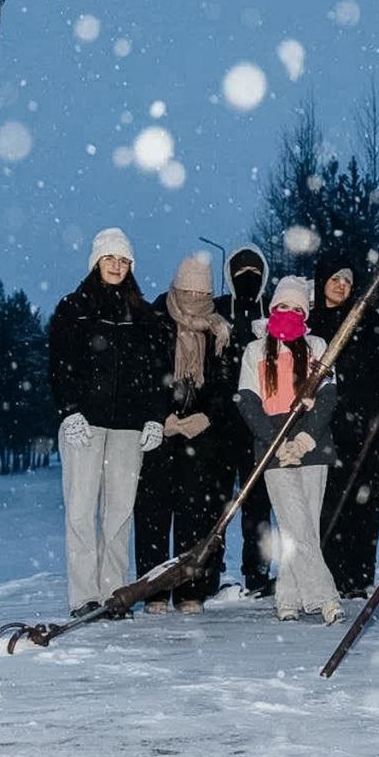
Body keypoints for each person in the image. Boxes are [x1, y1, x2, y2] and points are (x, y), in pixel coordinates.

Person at [48, 227, 167, 619]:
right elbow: (60, 363)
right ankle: (84, 596)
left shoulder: (144, 314)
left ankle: (113, 594)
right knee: (81, 509)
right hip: (85, 422)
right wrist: (70, 410)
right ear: (96, 262)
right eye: (109, 258)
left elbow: (157, 372)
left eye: (123, 260)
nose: (116, 266)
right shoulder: (74, 307)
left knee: (118, 513)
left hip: (128, 428)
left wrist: (153, 416)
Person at [310, 257, 379, 598]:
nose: (341, 285)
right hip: (324, 430)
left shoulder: (367, 322)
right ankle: (326, 576)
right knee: (328, 503)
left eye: (347, 279)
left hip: (365, 432)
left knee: (364, 504)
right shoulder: (312, 323)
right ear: (322, 281)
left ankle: (358, 577)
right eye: (335, 277)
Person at [236, 276, 343, 624]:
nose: (291, 313)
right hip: (273, 448)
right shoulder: (255, 350)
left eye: (299, 309)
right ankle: (325, 597)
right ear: (272, 308)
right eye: (284, 306)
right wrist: (276, 440)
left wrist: (305, 439)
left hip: (312, 445)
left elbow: (328, 396)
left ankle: (287, 597)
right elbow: (248, 400)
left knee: (304, 525)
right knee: (294, 521)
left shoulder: (317, 345)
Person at [134, 254, 235, 614]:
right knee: (153, 514)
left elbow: (226, 383)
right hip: (160, 432)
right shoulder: (154, 321)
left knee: (196, 513)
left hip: (201, 435)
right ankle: (154, 590)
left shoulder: (219, 330)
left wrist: (208, 416)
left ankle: (191, 587)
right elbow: (143, 374)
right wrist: (160, 417)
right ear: (176, 287)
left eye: (202, 292)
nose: (195, 297)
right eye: (188, 290)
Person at [213, 244, 275, 596]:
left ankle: (257, 572)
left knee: (258, 504)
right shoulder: (220, 311)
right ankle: (212, 568)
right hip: (224, 423)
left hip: (261, 423)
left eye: (254, 273)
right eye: (240, 273)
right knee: (219, 501)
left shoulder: (271, 314)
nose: (247, 279)